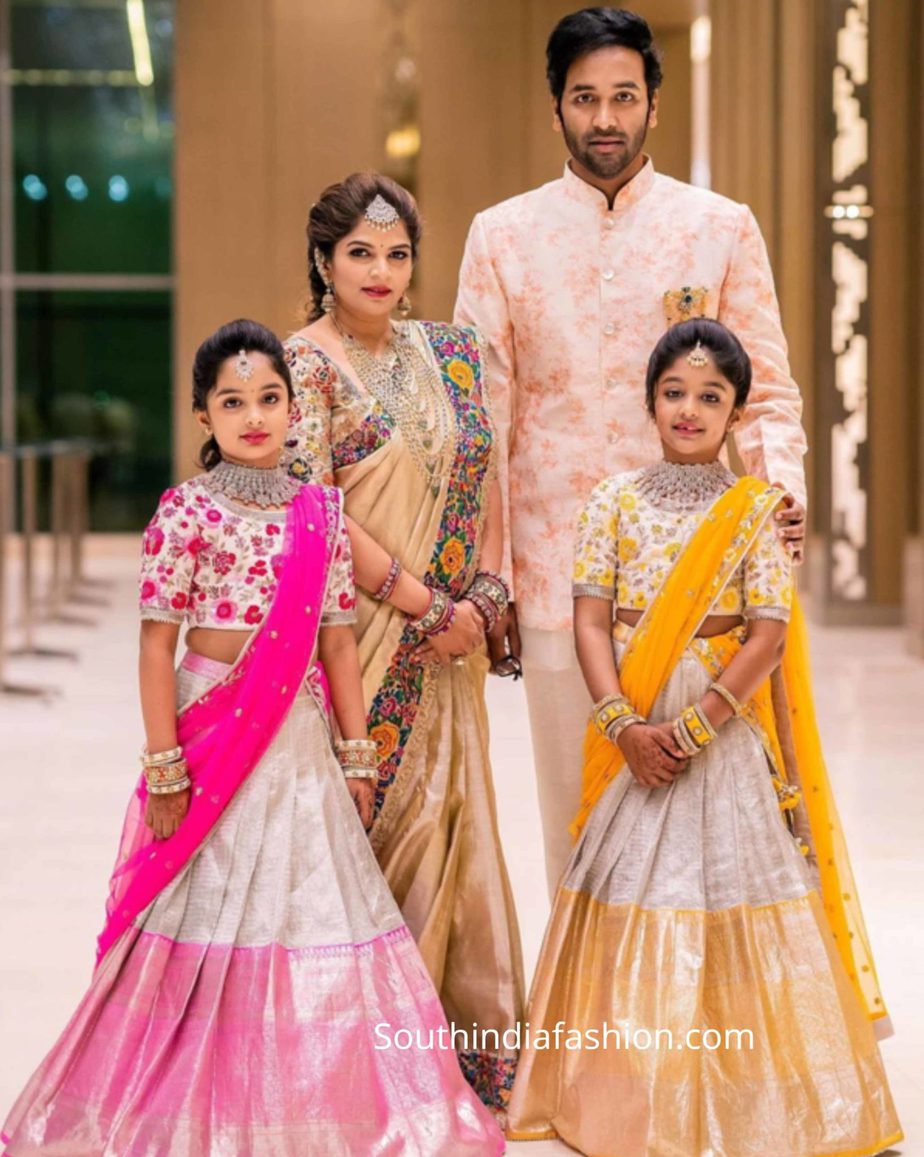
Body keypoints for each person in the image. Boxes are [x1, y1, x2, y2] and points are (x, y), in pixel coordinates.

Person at [1, 319, 505, 1156]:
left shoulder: (323, 514)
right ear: (204, 416)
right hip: (212, 732)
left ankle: (314, 1100)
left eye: (269, 398)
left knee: (310, 908)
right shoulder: (184, 511)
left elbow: (339, 640)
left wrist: (356, 751)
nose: (255, 416)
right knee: (207, 905)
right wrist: (164, 764)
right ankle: (189, 1091)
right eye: (232, 401)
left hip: (300, 736)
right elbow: (158, 643)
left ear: (291, 410)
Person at [504, 318, 902, 1157]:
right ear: (651, 401)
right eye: (675, 393)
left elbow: (767, 632)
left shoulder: (754, 508)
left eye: (710, 396)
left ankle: (745, 1096)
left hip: (720, 726)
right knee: (632, 887)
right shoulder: (613, 498)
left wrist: (696, 723)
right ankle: (629, 1092)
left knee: (735, 890)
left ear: (735, 412)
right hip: (635, 712)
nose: (690, 409)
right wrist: (623, 722)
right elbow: (588, 620)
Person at [455, 5, 809, 896]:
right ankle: (584, 1026)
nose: (604, 119)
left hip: (700, 582)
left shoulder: (720, 227)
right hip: (551, 574)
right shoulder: (502, 236)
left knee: (704, 831)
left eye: (622, 97)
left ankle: (683, 1030)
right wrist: (484, 569)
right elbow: (478, 422)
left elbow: (763, 389)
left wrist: (780, 499)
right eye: (584, 99)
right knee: (574, 822)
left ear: (655, 103)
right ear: (555, 110)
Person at [283, 174, 525, 1117]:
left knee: (451, 828)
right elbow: (317, 515)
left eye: (396, 254)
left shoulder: (451, 354)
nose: (381, 272)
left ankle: (455, 1050)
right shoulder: (302, 366)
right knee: (371, 831)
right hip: (362, 637)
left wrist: (487, 593)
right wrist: (425, 604)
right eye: (359, 254)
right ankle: (364, 1061)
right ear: (323, 262)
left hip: (454, 640)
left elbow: (487, 467)